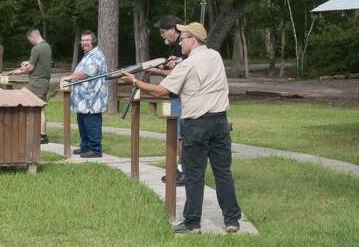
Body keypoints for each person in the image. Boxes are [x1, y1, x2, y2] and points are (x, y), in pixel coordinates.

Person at [120, 22, 242, 234]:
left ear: (193, 40)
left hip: (197, 125)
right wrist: (165, 69)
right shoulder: (215, 56)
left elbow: (160, 91)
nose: (180, 42)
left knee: (194, 175)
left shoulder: (187, 65)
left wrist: (134, 81)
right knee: (223, 172)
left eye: (183, 38)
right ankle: (232, 220)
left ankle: (192, 223)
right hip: (220, 122)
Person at [146, 15, 185, 186]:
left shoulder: (182, 47)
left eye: (163, 32)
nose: (161, 35)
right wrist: (163, 67)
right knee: (177, 136)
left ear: (174, 30)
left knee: (181, 137)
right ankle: (179, 170)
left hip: (182, 98)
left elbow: (179, 73)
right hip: (176, 97)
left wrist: (158, 72)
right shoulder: (175, 47)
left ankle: (184, 172)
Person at [61, 30, 108, 158]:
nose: (84, 43)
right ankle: (85, 146)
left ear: (93, 41)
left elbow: (85, 73)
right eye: (82, 40)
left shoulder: (96, 55)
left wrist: (69, 77)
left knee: (91, 123)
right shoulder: (88, 55)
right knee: (83, 123)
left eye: (87, 40)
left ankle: (95, 149)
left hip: (92, 99)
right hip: (83, 100)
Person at [15, 28, 52, 144]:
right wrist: (28, 63)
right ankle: (41, 135)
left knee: (20, 98)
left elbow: (30, 68)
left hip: (36, 83)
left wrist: (20, 72)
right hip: (44, 82)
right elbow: (38, 62)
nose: (30, 42)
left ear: (33, 36)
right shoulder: (47, 46)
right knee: (40, 108)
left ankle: (40, 135)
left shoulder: (36, 48)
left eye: (29, 39)